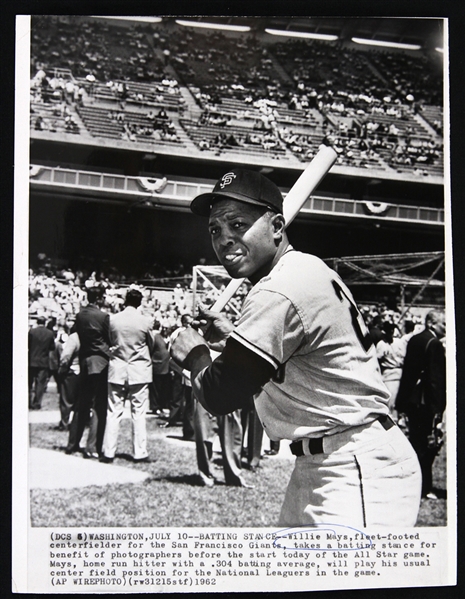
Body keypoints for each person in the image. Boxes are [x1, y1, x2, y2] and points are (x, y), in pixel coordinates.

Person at [171, 167, 422, 527]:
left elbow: (221, 395)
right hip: (332, 457)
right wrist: (232, 338)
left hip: (353, 464)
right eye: (215, 229)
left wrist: (194, 355)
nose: (224, 238)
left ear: (276, 227)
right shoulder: (305, 268)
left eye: (237, 224)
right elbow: (302, 359)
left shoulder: (278, 289)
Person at [395, 310, 446, 499]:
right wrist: (438, 409)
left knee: (416, 443)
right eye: (444, 324)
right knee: (429, 446)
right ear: (432, 323)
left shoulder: (415, 340)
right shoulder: (435, 345)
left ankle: (413, 483)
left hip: (412, 400)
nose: (446, 328)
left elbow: (407, 374)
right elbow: (436, 381)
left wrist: (402, 404)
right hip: (427, 403)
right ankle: (425, 486)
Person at [101, 288, 153, 463]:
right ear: (140, 302)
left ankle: (108, 452)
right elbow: (151, 344)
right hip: (139, 369)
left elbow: (109, 341)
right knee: (138, 413)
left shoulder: (113, 319)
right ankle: (140, 452)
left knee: (113, 412)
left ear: (125, 301)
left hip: (118, 368)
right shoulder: (146, 321)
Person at [66, 285, 110, 458]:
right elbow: (110, 338)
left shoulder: (80, 315)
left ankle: (73, 443)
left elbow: (75, 333)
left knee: (81, 404)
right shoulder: (103, 316)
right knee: (99, 406)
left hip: (84, 360)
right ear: (99, 299)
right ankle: (92, 446)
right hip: (100, 362)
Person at [28, 316, 55, 410]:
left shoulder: (32, 332)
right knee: (40, 384)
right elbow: (52, 347)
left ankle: (28, 401)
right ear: (45, 323)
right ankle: (36, 403)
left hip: (31, 360)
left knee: (29, 383)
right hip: (43, 361)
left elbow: (28, 344)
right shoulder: (50, 333)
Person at [57, 330, 81, 430]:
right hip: (85, 371)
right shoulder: (92, 335)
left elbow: (66, 356)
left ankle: (64, 423)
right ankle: (79, 422)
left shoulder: (74, 337)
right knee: (80, 401)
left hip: (72, 371)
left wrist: (61, 369)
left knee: (66, 400)